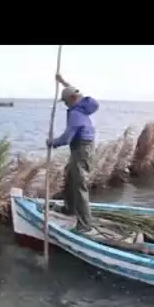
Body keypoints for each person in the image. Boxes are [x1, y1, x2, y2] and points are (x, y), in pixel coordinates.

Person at [46, 73, 99, 236]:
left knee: (79, 185)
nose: (66, 104)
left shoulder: (76, 114)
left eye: (67, 101)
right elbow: (75, 93)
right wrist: (63, 82)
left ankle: (85, 225)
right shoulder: (81, 108)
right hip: (81, 149)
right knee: (69, 176)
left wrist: (51, 142)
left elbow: (67, 138)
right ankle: (69, 209)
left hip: (81, 150)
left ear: (72, 99)